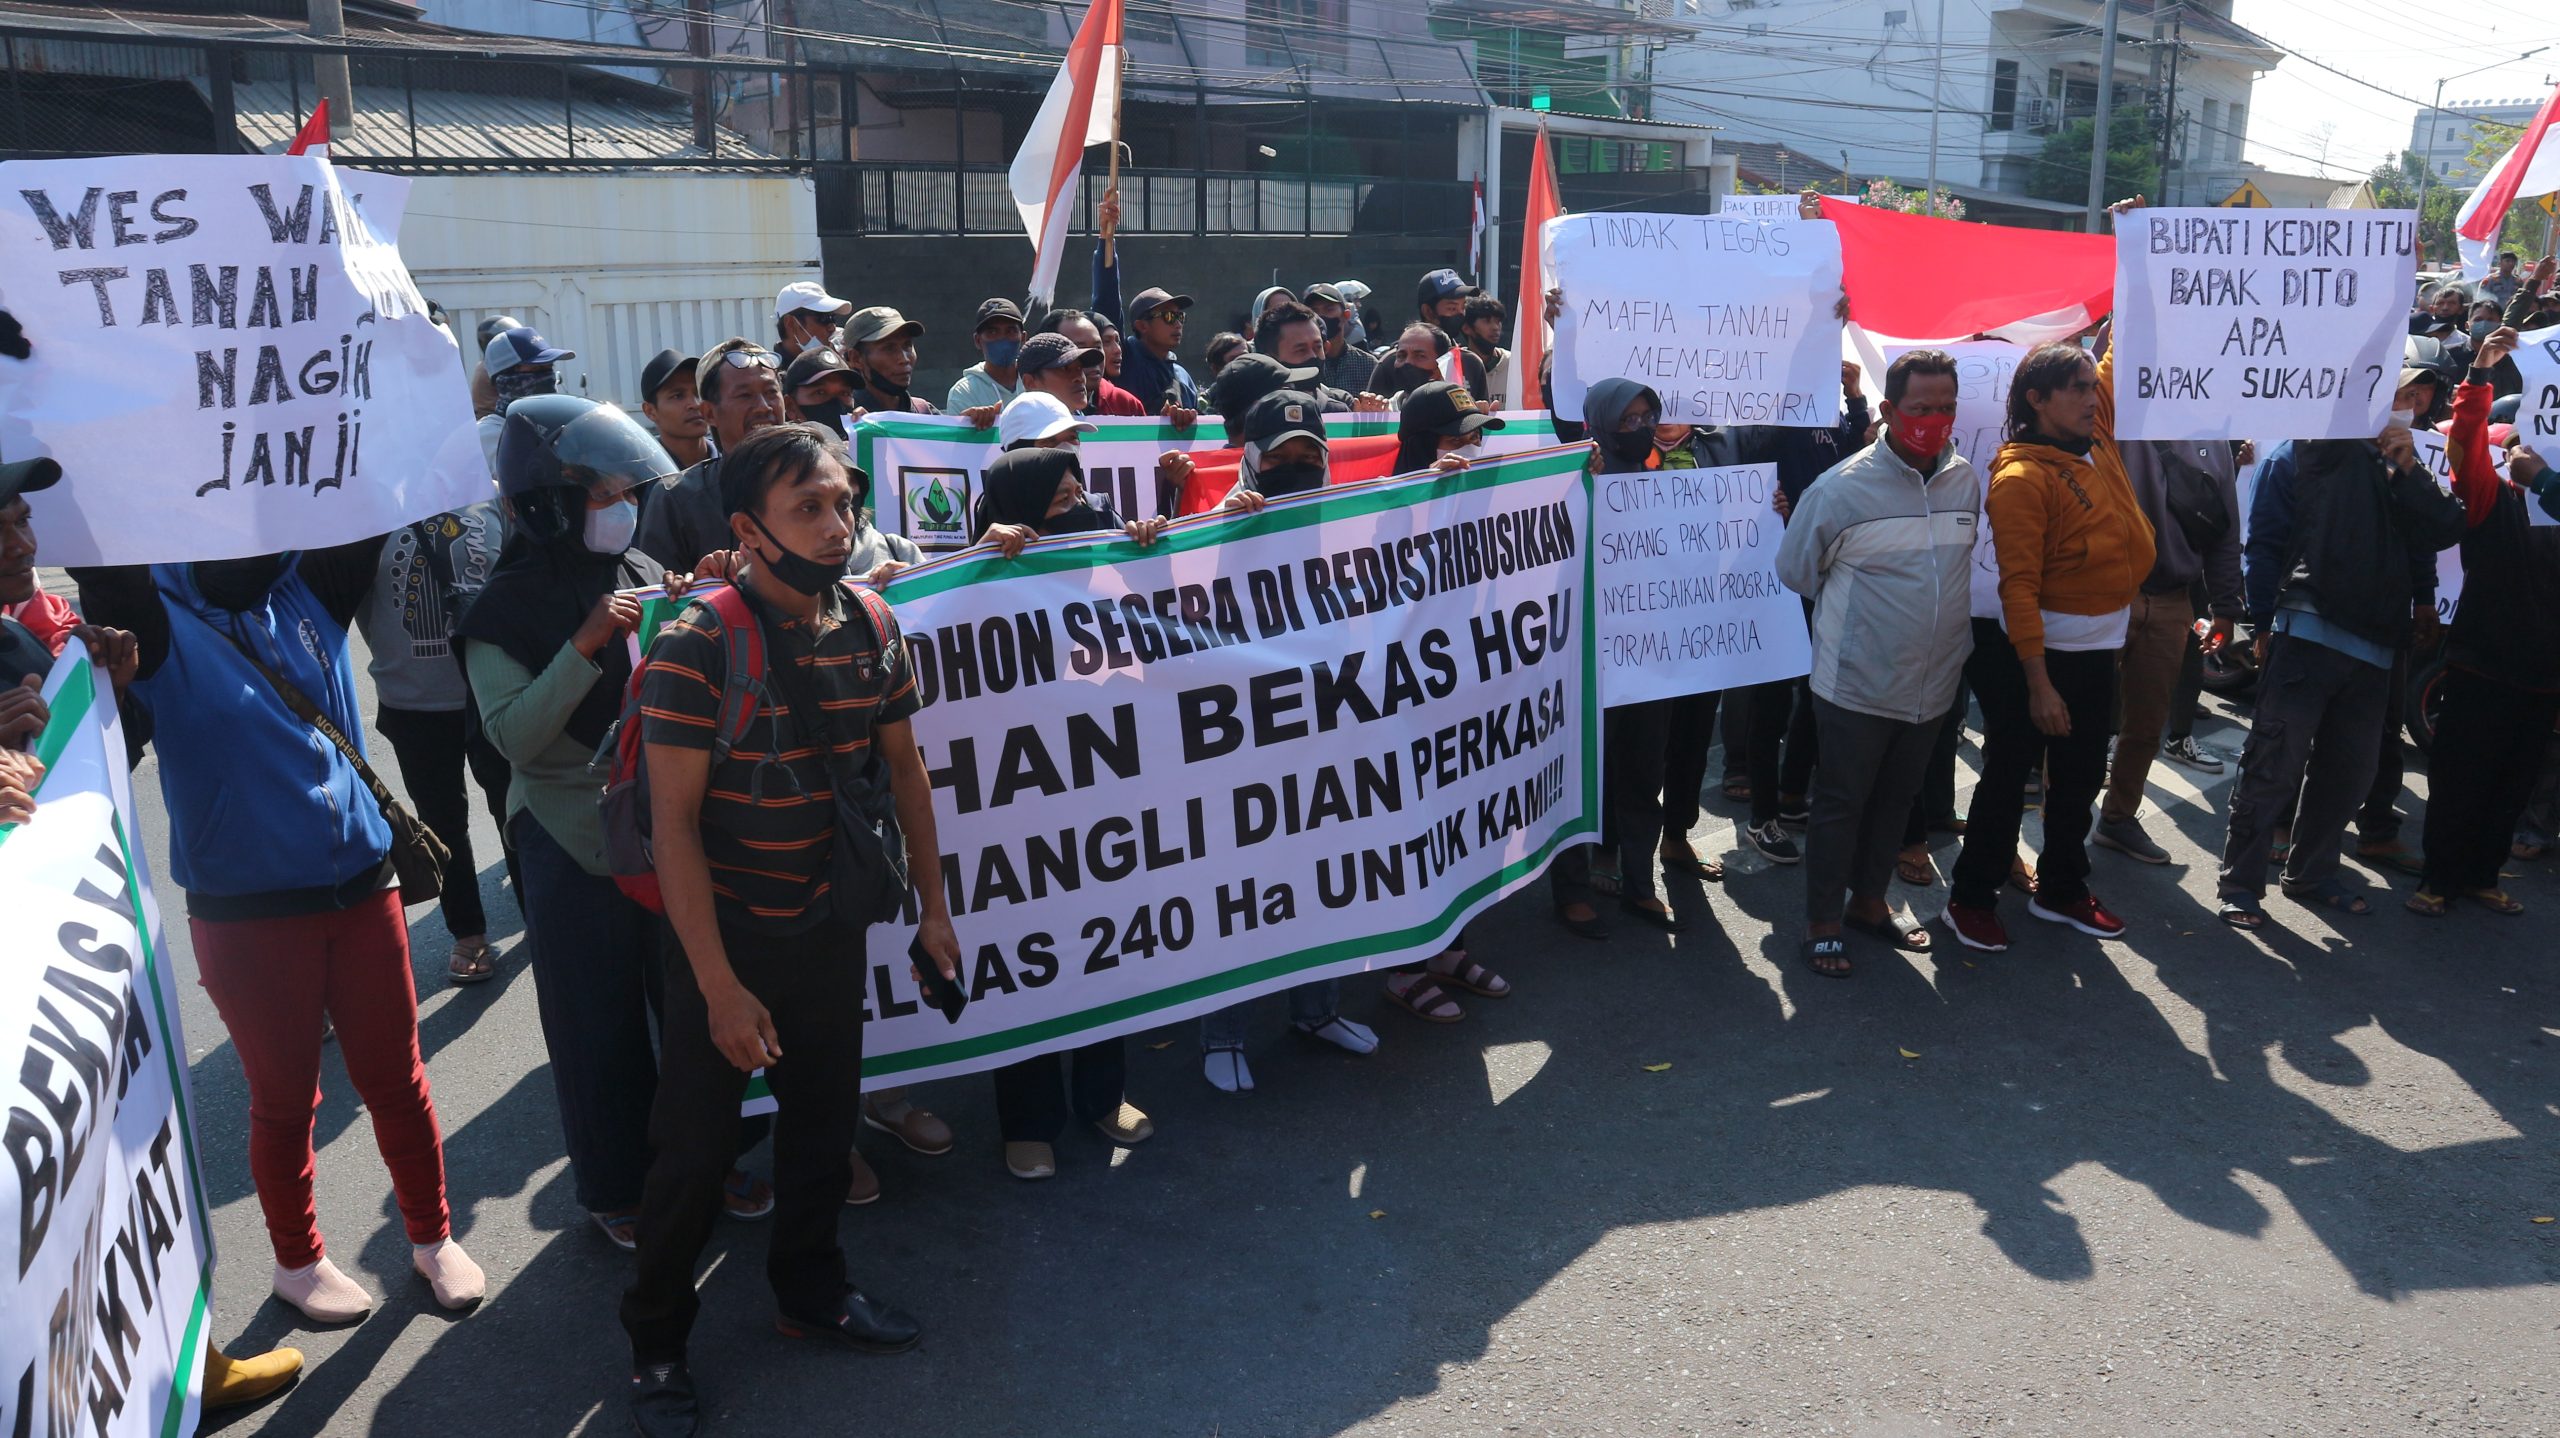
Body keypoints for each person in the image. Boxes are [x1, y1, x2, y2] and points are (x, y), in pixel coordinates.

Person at [622, 422, 960, 1434]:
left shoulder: (872, 622)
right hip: (721, 942)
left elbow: (905, 772)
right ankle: (655, 1341)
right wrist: (720, 989)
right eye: (806, 508)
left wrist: (935, 908)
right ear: (747, 529)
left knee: (821, 1123)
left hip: (827, 929)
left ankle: (811, 1291)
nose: (834, 526)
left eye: (841, 504)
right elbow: (673, 828)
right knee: (693, 1155)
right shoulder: (694, 645)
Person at [69, 538, 487, 1324]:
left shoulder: (306, 583)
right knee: (286, 1099)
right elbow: (101, 545)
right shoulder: (150, 615)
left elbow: (361, 493)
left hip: (364, 886)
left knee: (397, 1079)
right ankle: (297, 1262)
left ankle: (432, 1237)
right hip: (248, 913)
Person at [455, 394, 780, 1252]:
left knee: (692, 1008)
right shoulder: (499, 610)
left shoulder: (637, 565)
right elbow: (512, 737)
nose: (622, 509)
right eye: (602, 495)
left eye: (627, 493)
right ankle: (616, 1184)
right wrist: (585, 644)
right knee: (596, 1026)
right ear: (551, 503)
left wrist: (700, 591)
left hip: (662, 823)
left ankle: (712, 1158)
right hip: (566, 834)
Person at [2217, 363, 2467, 928]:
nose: (2404, 404)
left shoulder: (2400, 463)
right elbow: (2264, 546)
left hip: (2377, 646)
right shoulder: (2299, 452)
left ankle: (2311, 873)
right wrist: (2263, 625)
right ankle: (2240, 885)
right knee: (2273, 766)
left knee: (2348, 774)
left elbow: (2442, 530)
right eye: (2393, 393)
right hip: (2306, 634)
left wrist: (2409, 471)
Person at [1942, 326, 2153, 953]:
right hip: (2039, 659)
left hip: (2097, 652)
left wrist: (2136, 278)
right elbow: (2019, 589)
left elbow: (2116, 360)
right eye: (2076, 389)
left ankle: (2061, 888)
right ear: (2037, 400)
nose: (2091, 397)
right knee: (2009, 778)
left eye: (2091, 387)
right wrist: (2038, 684)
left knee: (2080, 776)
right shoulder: (2021, 479)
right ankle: (1970, 899)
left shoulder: (2096, 436)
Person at [1775, 349, 1975, 976]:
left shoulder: (1966, 480)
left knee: (1895, 802)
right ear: (1889, 409)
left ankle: (1868, 904)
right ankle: (1822, 922)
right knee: (1841, 804)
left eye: (1946, 407)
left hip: (1933, 685)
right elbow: (1796, 571)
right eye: (1921, 408)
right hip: (1856, 685)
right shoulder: (1839, 489)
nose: (1935, 420)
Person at [2410, 330, 2560, 916]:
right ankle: (2437, 879)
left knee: (2513, 781)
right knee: (2460, 775)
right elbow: (2464, 445)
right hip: (2480, 664)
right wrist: (2479, 373)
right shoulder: (2492, 497)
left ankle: (2480, 875)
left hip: (2543, 677)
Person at [355, 494, 513, 985]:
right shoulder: (367, 508)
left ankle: (542, 913)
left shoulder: (488, 494)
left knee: (515, 805)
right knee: (441, 822)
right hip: (413, 703)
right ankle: (468, 933)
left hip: (494, 689)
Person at [2092, 436, 2243, 864]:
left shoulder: (2213, 439)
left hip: (2174, 597)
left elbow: (2224, 528)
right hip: (2104, 592)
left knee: (2146, 724)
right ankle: (2060, 825)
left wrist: (2226, 606)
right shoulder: (2112, 417)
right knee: (2081, 722)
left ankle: (2118, 818)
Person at [634, 339, 785, 574]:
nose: (763, 406)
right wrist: (704, 582)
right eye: (745, 395)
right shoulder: (675, 499)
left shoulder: (820, 475)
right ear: (709, 413)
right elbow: (662, 590)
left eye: (771, 392)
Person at [480, 325, 575, 472]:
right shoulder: (487, 437)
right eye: (536, 369)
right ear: (505, 378)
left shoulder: (559, 427)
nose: (547, 378)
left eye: (549, 368)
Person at [843, 306, 938, 416]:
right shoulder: (843, 417)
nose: (904, 359)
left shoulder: (926, 412)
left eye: (907, 345)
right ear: (856, 358)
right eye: (889, 349)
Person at [946, 297, 1025, 417]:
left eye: (1010, 331)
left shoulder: (1038, 380)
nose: (1002, 338)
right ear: (978, 340)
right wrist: (969, 424)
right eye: (992, 332)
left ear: (1023, 338)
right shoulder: (964, 392)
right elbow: (959, 429)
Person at [641, 348, 711, 470]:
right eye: (678, 396)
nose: (695, 404)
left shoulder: (734, 462)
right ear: (650, 411)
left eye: (698, 393)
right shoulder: (642, 474)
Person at [1304, 283, 1378, 396]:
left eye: (1329, 309)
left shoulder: (1367, 365)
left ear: (1346, 315)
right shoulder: (1303, 363)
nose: (1320, 316)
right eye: (1314, 310)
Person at [782, 345, 862, 438]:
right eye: (820, 392)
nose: (836, 405)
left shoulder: (861, 442)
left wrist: (870, 438)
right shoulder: (778, 447)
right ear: (790, 407)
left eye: (844, 393)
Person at [773, 279, 851, 364]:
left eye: (832, 317)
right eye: (823, 318)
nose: (832, 327)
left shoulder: (840, 363)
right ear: (790, 323)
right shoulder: (771, 370)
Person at [1459, 293, 1510, 400]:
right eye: (1487, 321)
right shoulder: (1454, 365)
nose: (1495, 327)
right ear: (1466, 328)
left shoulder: (1514, 364)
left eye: (1498, 321)